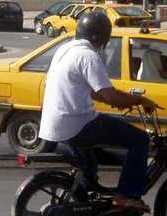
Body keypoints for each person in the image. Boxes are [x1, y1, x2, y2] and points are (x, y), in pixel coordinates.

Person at [39, 12, 158, 213]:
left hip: (54, 125)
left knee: (90, 166)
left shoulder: (65, 49)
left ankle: (85, 201)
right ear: (101, 37)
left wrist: (118, 100)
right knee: (139, 140)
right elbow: (110, 96)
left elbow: (95, 92)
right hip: (77, 124)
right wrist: (139, 100)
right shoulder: (89, 56)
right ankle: (127, 195)